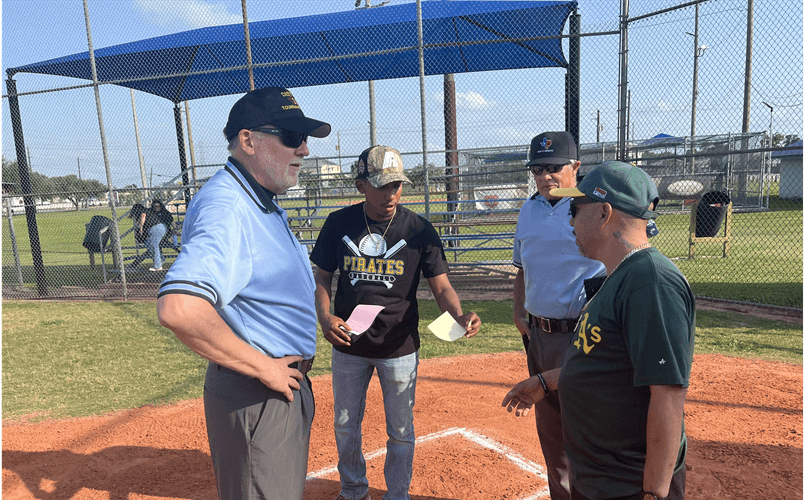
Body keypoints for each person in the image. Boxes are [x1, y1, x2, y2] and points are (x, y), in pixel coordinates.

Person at [157, 87, 331, 500]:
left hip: (270, 390)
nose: (304, 149)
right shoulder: (229, 206)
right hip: (257, 391)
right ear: (248, 140)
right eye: (291, 136)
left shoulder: (256, 200)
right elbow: (179, 308)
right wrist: (262, 367)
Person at [503, 161, 695, 500]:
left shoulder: (650, 281)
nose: (570, 221)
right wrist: (546, 382)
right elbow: (604, 365)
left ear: (604, 213)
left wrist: (653, 493)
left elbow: (667, 395)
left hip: (626, 485)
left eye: (575, 210)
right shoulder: (618, 277)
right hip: (598, 479)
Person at [310, 145, 481, 500]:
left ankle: (397, 494)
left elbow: (442, 286)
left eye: (396, 185)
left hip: (399, 346)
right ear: (361, 185)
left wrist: (458, 315)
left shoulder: (419, 230)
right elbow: (322, 276)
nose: (390, 194)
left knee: (401, 430)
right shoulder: (339, 223)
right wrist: (325, 317)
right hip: (349, 343)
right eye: (381, 185)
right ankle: (353, 489)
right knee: (345, 424)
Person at [512, 132, 606, 500]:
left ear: (575, 167)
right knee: (551, 433)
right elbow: (522, 267)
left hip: (585, 334)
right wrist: (519, 312)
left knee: (588, 428)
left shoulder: (592, 205)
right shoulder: (529, 209)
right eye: (538, 169)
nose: (545, 176)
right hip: (539, 335)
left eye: (553, 167)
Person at [134, 199, 174, 271]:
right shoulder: (148, 211)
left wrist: (175, 228)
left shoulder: (164, 212)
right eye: (155, 206)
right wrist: (141, 227)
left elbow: (171, 220)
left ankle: (157, 266)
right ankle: (161, 259)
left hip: (161, 230)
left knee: (153, 245)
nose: (157, 208)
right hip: (154, 231)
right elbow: (143, 216)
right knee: (149, 243)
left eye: (158, 206)